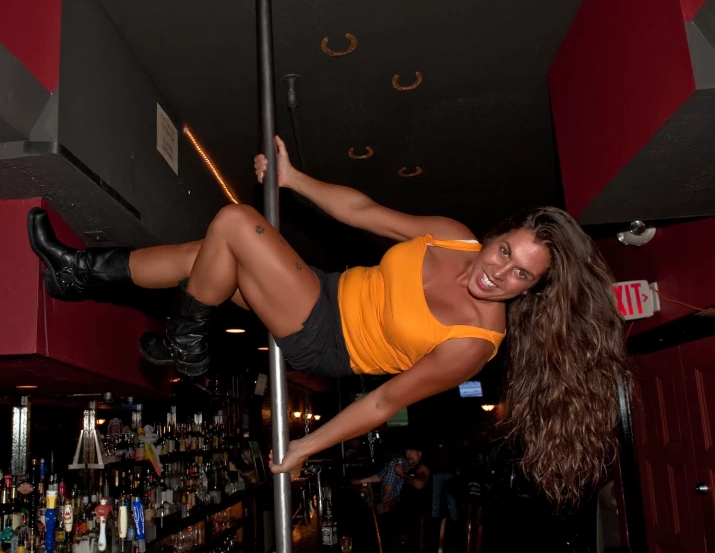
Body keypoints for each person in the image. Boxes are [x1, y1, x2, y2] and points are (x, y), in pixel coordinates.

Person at [26, 136, 628, 504]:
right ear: (497, 237)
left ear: (530, 291)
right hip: (328, 291)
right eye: (506, 252)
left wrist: (305, 446)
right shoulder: (457, 240)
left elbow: (383, 402)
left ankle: (188, 345)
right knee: (203, 257)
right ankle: (74, 273)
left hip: (329, 340)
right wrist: (293, 180)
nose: (500, 272)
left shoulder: (475, 343)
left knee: (236, 224)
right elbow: (365, 212)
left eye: (521, 275)